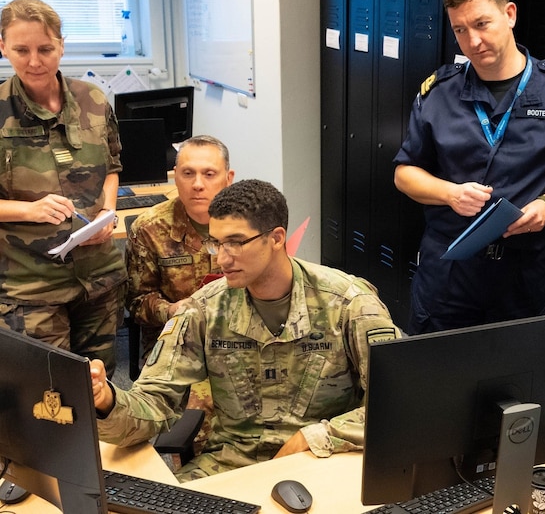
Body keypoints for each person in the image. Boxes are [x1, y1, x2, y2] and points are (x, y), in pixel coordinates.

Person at [91, 179, 402, 481]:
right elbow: (155, 402)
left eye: (236, 242)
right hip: (233, 463)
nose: (222, 259)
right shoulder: (204, 308)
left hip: (324, 461)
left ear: (277, 238)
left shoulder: (349, 304)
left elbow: (398, 402)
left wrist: (319, 436)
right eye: (216, 243)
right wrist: (107, 400)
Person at [393, 0, 545, 334]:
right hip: (450, 273)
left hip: (522, 273)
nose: (473, 41)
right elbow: (405, 172)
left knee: (519, 382)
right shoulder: (438, 92)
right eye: (460, 30)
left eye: (482, 23)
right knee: (434, 378)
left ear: (510, 14)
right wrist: (449, 193)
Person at [0, 0, 125, 375]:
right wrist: (28, 209)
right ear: (2, 46)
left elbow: (113, 166)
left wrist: (106, 211)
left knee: (103, 391)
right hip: (31, 286)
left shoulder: (93, 100)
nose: (34, 61)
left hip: (98, 279)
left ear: (62, 45)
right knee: (50, 399)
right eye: (21, 50)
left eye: (46, 49)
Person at [126, 135, 235, 362]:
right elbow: (137, 303)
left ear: (228, 178)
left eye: (209, 174)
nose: (197, 184)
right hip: (174, 339)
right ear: (175, 176)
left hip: (235, 336)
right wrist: (172, 310)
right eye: (188, 173)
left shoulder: (247, 223)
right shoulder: (149, 228)